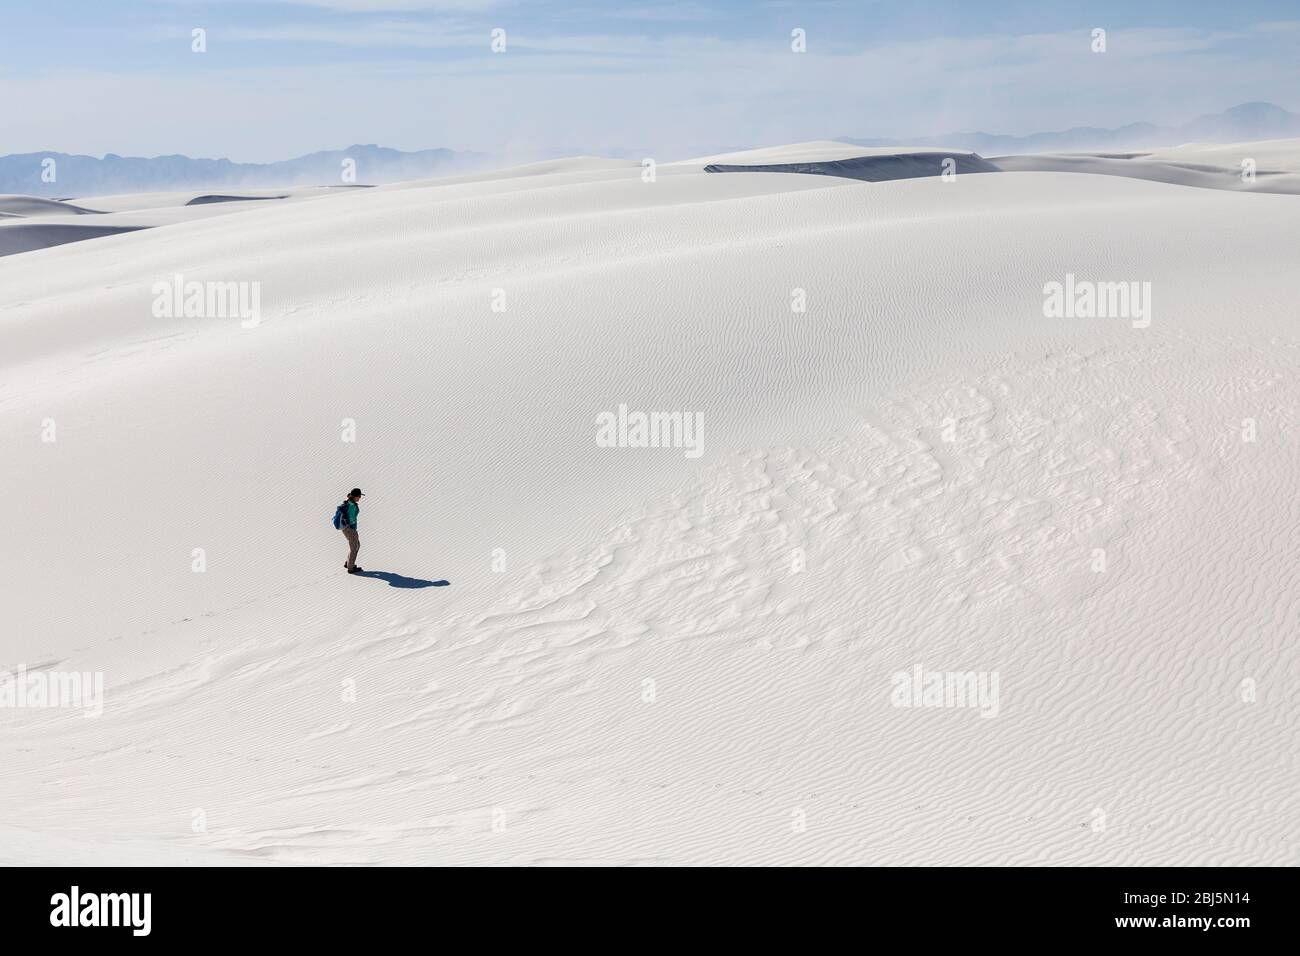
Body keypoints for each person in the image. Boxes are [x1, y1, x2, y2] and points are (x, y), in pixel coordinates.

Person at [340, 488, 364, 573]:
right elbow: (351, 518)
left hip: (346, 528)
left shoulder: (349, 502)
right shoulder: (352, 505)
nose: (360, 498)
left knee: (356, 545)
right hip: (350, 529)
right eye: (359, 496)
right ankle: (351, 568)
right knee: (355, 547)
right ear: (355, 496)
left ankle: (348, 563)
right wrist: (353, 528)